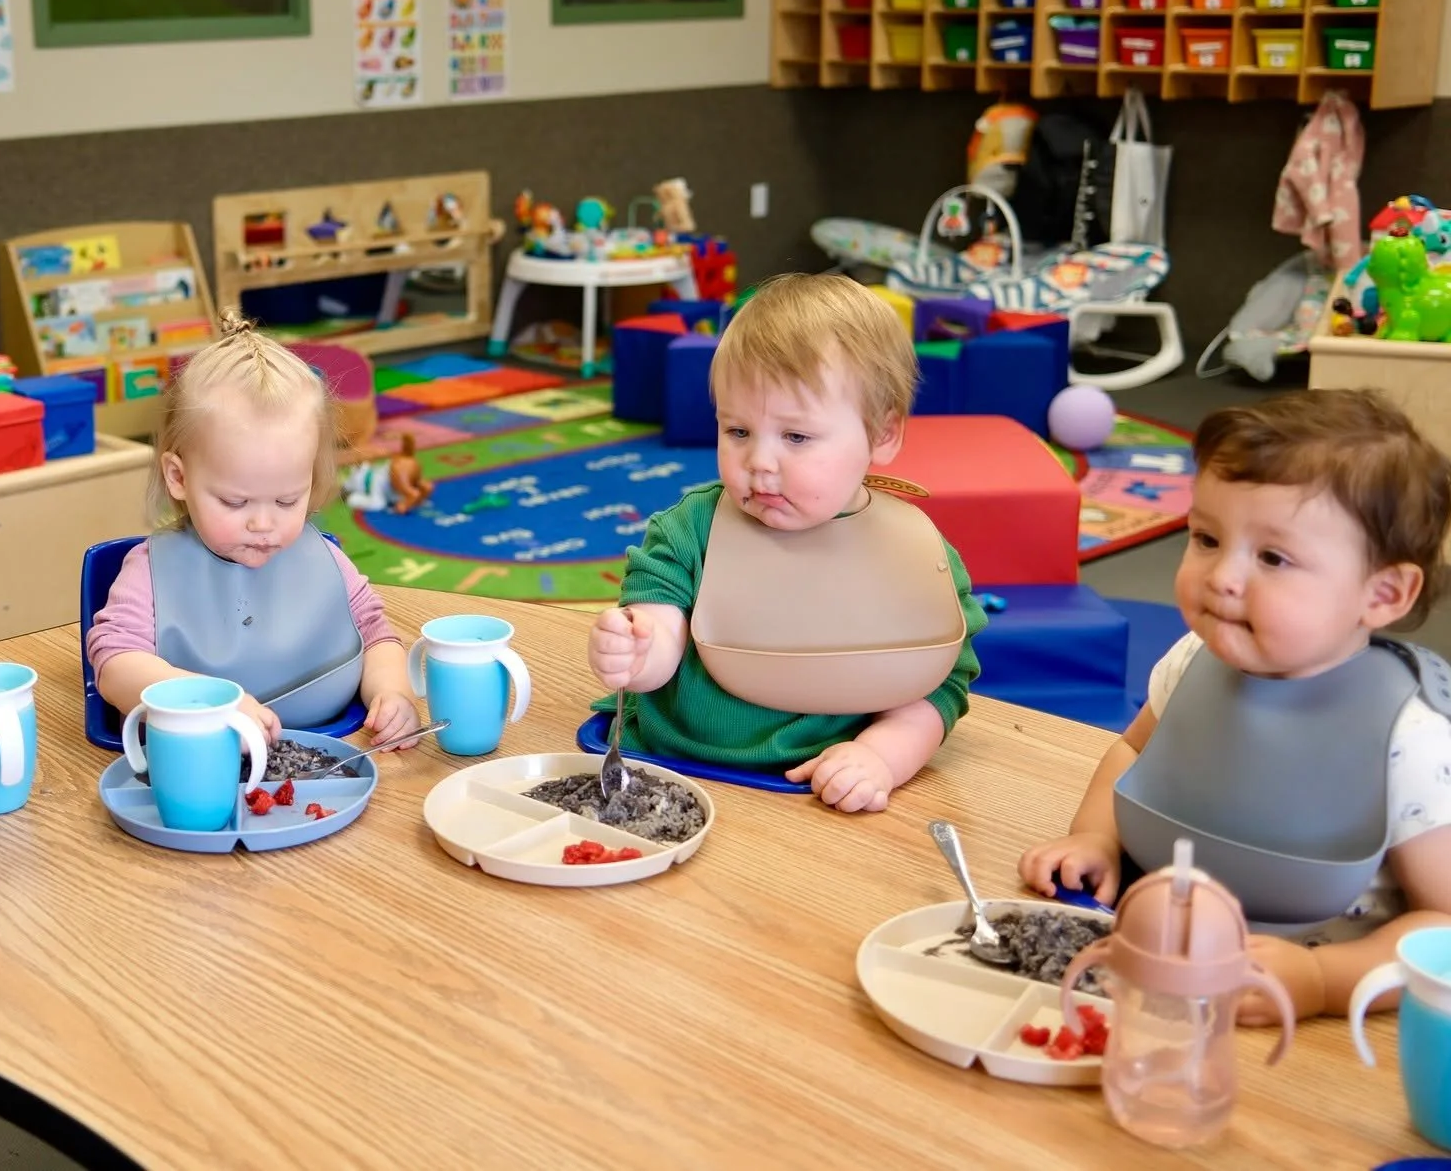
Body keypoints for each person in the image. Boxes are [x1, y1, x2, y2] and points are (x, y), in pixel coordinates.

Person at [1020, 389, 1451, 1024]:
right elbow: (1132, 749)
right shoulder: (1193, 658)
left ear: (1383, 592)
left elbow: (1442, 927)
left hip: (1308, 1030)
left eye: (1273, 557)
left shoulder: (1409, 740)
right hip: (1152, 977)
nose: (1222, 575)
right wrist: (1096, 839)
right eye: (1207, 538)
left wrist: (1319, 979)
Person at [586, 273, 986, 811]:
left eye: (796, 437)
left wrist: (882, 757)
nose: (760, 462)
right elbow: (660, 634)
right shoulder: (687, 529)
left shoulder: (914, 552)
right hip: (671, 772)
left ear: (883, 434)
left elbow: (939, 685)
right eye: (738, 431)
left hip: (819, 793)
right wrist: (634, 652)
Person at [87, 313, 420, 746]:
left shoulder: (324, 558)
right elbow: (114, 666)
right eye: (235, 501)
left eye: (287, 501)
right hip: (199, 768)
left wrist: (393, 693)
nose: (263, 524)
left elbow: (375, 635)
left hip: (333, 751)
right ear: (178, 477)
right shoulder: (150, 571)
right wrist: (208, 704)